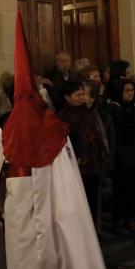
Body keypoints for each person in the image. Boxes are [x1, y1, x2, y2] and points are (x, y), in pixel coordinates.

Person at [0, 12, 116, 269]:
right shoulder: (29, 128)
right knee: (30, 252)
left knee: (30, 252)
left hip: (24, 197)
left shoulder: (17, 128)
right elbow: (1, 168)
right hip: (30, 199)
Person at [57, 80, 108, 229]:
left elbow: (97, 133)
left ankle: (93, 229)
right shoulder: (63, 116)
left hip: (93, 162)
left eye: (83, 94)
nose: (82, 97)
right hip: (78, 165)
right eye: (77, 95)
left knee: (93, 199)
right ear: (67, 97)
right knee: (80, 200)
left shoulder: (88, 112)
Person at [106, 79, 135, 234]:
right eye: (126, 91)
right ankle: (120, 222)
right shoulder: (114, 110)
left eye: (132, 90)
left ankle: (133, 217)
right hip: (122, 157)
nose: (130, 93)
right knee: (121, 192)